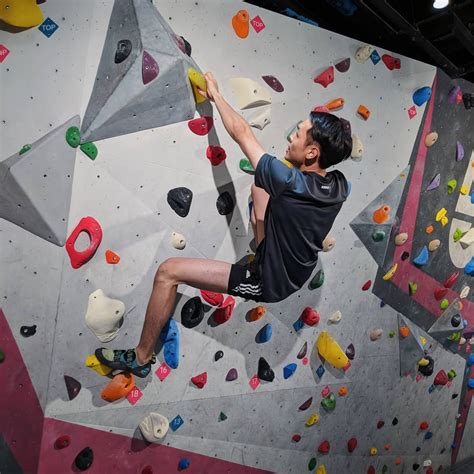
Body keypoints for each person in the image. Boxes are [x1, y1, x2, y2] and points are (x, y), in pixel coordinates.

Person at [95, 72, 352, 377]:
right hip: (299, 266)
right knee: (260, 186)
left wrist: (215, 94)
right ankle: (263, 247)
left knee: (168, 272)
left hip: (269, 281)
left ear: (313, 152)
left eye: (298, 134)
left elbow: (242, 132)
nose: (290, 137)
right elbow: (299, 181)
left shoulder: (291, 183)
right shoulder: (339, 184)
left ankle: (140, 357)